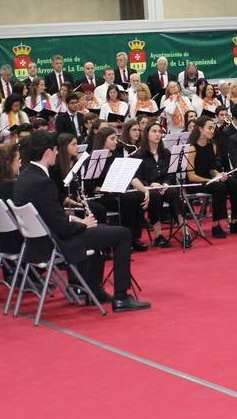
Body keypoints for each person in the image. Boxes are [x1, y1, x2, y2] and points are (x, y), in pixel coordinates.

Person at [13, 131, 149, 313]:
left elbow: (48, 215)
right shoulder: (43, 181)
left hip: (38, 240)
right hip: (57, 242)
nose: (57, 153)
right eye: (55, 150)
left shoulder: (24, 176)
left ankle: (94, 291)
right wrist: (83, 224)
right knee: (123, 234)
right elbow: (62, 227)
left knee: (102, 230)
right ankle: (121, 297)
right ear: (47, 152)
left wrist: (76, 219)